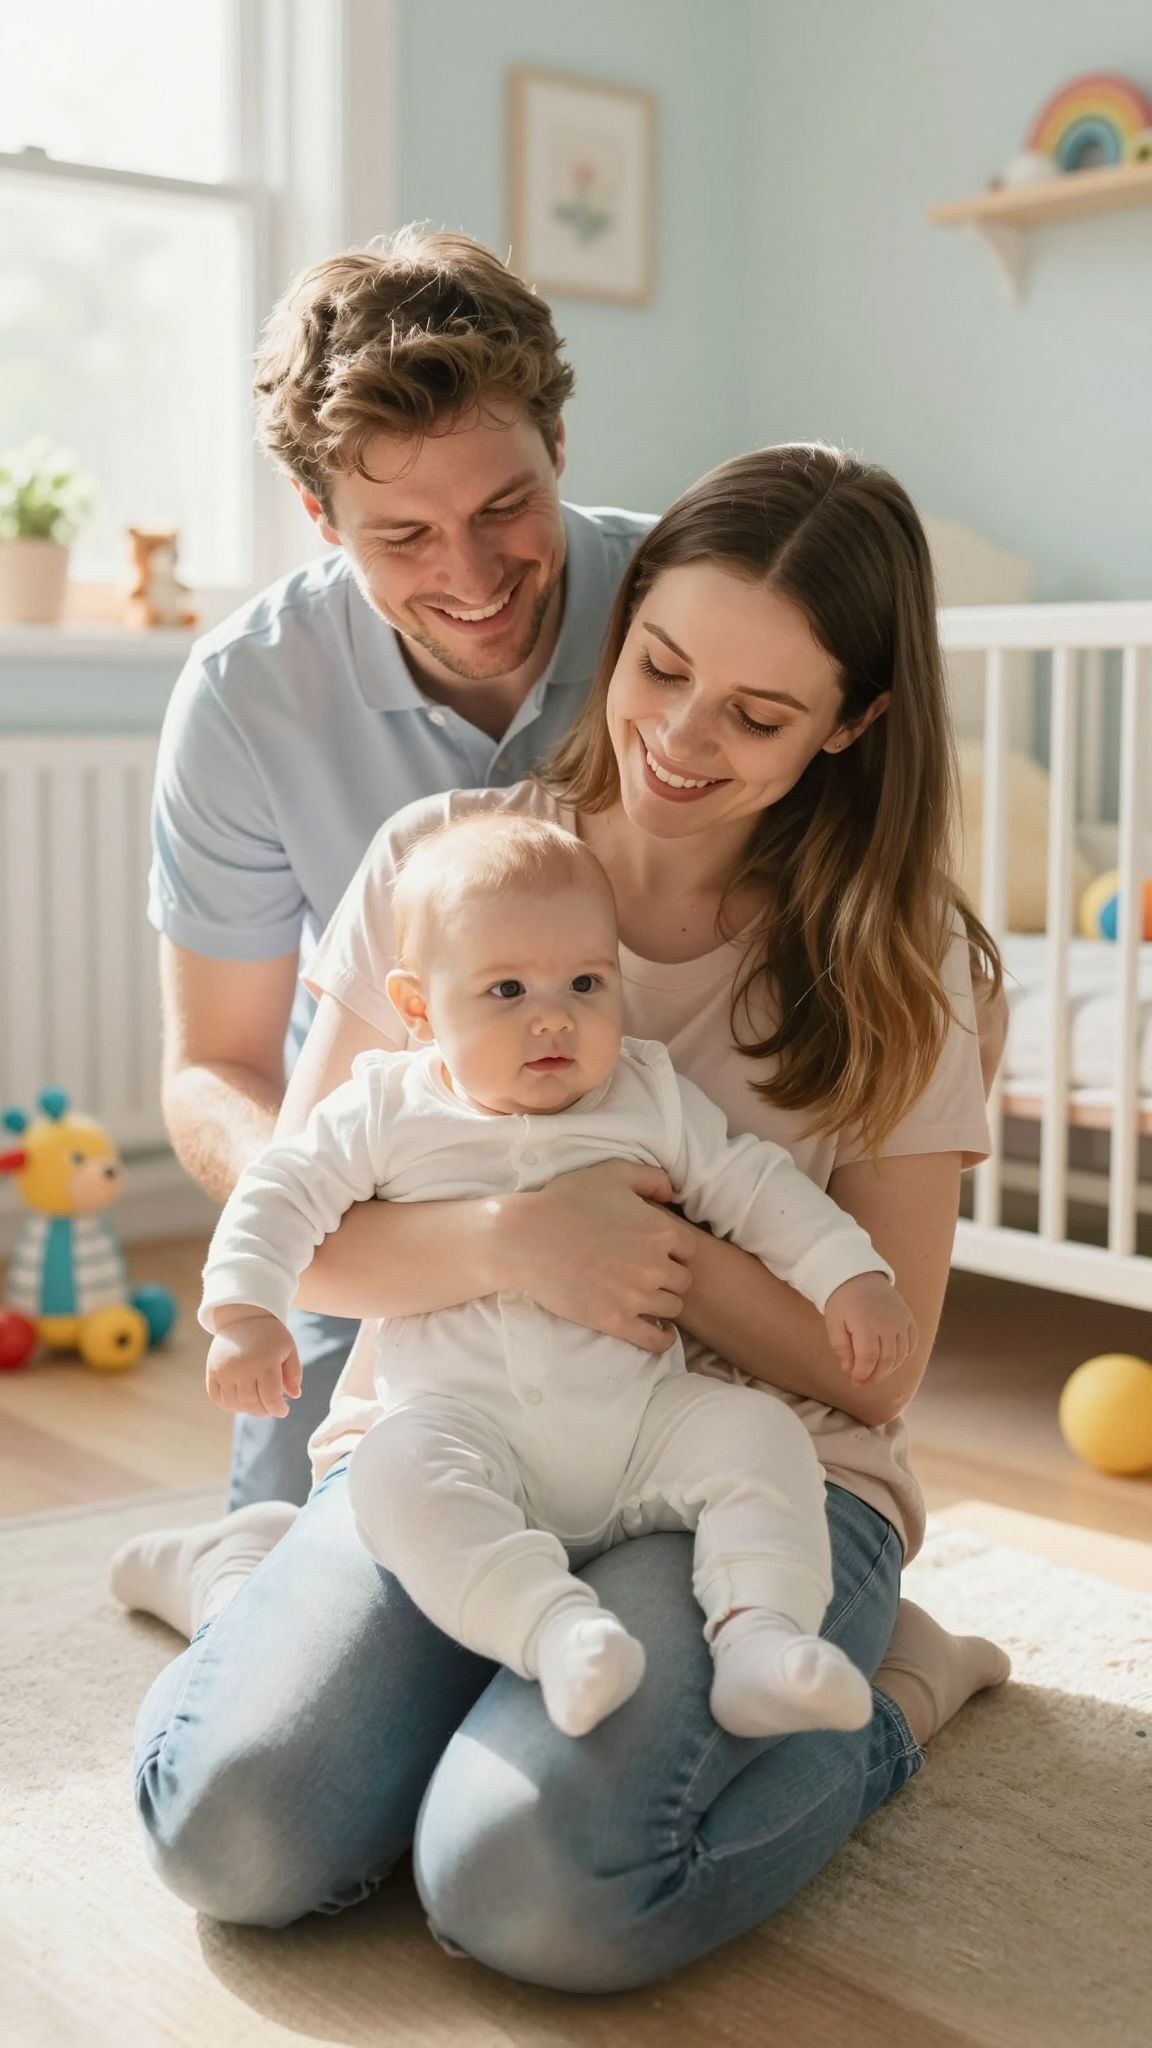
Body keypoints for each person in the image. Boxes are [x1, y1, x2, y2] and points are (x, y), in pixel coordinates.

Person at [116, 444, 1011, 1993]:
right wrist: (527, 1243)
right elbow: (316, 1222)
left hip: (751, 1462)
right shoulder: (449, 869)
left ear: (854, 725)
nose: (678, 736)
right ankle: (300, 1587)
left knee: (527, 1885)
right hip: (464, 1424)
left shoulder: (900, 962)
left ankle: (895, 1698)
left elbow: (871, 1371)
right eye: (661, 665)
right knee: (238, 1833)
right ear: (627, 627)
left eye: (759, 714)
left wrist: (654, 1258)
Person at [198, 813, 919, 1742]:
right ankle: (556, 1633)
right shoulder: (386, 1107)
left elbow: (759, 1189)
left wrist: (849, 1276)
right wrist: (245, 1310)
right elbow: (280, 1193)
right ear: (418, 1008)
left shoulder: (646, 1092)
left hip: (638, 1429)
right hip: (466, 1430)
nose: (554, 1016)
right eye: (506, 989)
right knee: (397, 1473)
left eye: (587, 982)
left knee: (758, 1437)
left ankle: (760, 1638)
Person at [148, 224, 654, 1510]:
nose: (472, 577)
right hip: (372, 1204)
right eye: (402, 537)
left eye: (504, 507)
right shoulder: (247, 693)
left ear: (558, 447)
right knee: (278, 1566)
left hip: (651, 1175)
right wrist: (365, 1216)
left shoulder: (680, 608)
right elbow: (217, 1064)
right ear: (319, 518)